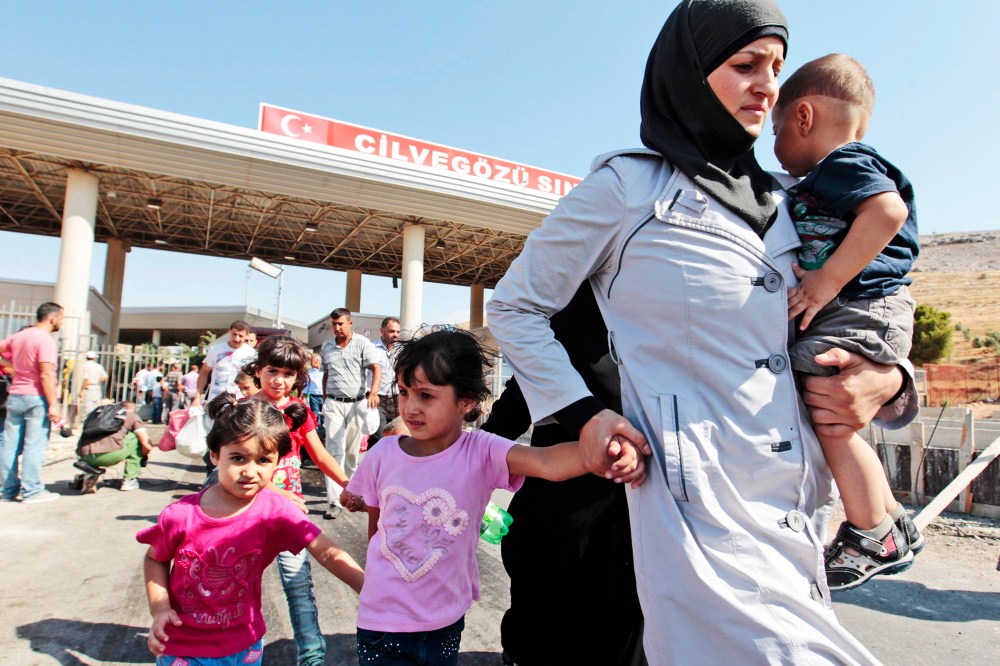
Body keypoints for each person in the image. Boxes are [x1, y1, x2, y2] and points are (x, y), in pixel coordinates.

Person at [486, 1, 917, 663]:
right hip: (699, 508)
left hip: (799, 510)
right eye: (746, 65)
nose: (767, 84)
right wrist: (583, 415)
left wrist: (888, 379)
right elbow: (516, 305)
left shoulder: (797, 199)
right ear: (689, 71)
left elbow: (879, 290)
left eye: (776, 67)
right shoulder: (630, 187)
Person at [345, 329, 643, 666]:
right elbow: (377, 528)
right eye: (403, 392)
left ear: (467, 401)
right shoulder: (384, 452)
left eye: (426, 396)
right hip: (382, 621)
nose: (410, 407)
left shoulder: (480, 451)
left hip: (444, 622)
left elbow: (546, 461)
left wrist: (606, 448)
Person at [772, 53, 923, 590]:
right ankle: (889, 521)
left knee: (829, 415)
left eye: (777, 128)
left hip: (860, 307)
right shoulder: (844, 167)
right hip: (867, 309)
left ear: (804, 117)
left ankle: (871, 531)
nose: (775, 147)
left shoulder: (842, 164)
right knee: (835, 416)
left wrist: (827, 279)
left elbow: (887, 214)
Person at [481, 284, 643, 666]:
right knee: (550, 608)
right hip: (562, 497)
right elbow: (522, 391)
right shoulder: (565, 309)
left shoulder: (651, 307)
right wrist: (466, 458)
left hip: (635, 493)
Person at [137, 395, 364, 665]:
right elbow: (155, 558)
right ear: (214, 455)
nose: (250, 471)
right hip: (182, 648)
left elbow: (328, 553)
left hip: (246, 646)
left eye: (264, 460)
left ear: (278, 461)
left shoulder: (277, 512)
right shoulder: (180, 515)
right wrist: (160, 608)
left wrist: (374, 592)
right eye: (238, 458)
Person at [241, 335, 354, 666]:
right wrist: (277, 493)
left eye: (288, 374)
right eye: (272, 371)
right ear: (258, 370)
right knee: (243, 583)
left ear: (298, 378)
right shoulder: (244, 410)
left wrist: (348, 484)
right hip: (248, 512)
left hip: (288, 512)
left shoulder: (298, 411)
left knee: (298, 585)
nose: (279, 381)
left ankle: (312, 655)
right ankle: (247, 652)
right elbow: (234, 469)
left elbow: (319, 454)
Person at [319, 308, 381, 519]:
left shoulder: (362, 343)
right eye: (334, 324)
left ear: (349, 323)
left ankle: (351, 494)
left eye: (341, 324)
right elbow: (326, 374)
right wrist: (325, 397)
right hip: (334, 404)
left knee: (352, 453)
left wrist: (373, 393)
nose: (337, 328)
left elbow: (376, 368)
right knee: (334, 452)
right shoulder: (327, 346)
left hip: (357, 404)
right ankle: (334, 501)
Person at [0, 302, 64, 504]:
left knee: (9, 445)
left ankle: (7, 491)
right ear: (52, 318)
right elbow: (46, 374)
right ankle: (32, 491)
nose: (62, 322)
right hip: (36, 397)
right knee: (34, 445)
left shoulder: (19, 336)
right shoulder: (45, 340)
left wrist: (13, 367)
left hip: (16, 396)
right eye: (62, 318)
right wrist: (53, 404)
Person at [76, 400, 152, 493]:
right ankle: (130, 480)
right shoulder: (131, 416)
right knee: (135, 438)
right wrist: (143, 456)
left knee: (94, 442)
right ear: (132, 410)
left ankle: (90, 473)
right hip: (109, 455)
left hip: (84, 456)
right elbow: (145, 443)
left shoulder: (98, 414)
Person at [368, 316, 401, 448]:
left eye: (398, 332)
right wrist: (370, 393)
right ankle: (374, 462)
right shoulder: (371, 349)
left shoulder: (401, 351)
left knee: (396, 432)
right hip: (377, 397)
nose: (396, 335)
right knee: (379, 433)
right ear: (382, 330)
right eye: (392, 331)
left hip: (397, 398)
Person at [77, 351, 108, 421]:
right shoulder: (99, 366)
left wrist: (82, 390)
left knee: (87, 408)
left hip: (89, 388)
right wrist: (96, 379)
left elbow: (86, 379)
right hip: (96, 387)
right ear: (94, 358)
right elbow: (105, 377)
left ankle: (86, 422)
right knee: (96, 407)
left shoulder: (85, 366)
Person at [301, 353, 325, 439]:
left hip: (324, 395)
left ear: (318, 361)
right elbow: (306, 385)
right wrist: (303, 395)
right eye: (311, 360)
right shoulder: (310, 373)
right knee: (315, 413)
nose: (311, 362)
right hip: (313, 396)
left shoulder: (324, 372)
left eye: (313, 360)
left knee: (323, 413)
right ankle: (316, 431)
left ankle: (322, 430)